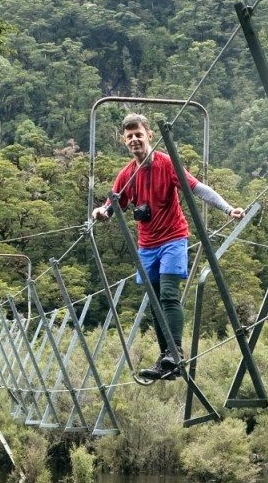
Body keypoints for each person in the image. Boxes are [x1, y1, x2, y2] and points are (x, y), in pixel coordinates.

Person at [91, 112, 245, 381]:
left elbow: (197, 188)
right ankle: (166, 360)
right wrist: (100, 213)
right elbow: (113, 205)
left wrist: (227, 208)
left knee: (168, 295)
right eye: (129, 137)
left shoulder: (166, 163)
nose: (135, 140)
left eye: (139, 134)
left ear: (149, 135)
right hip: (147, 245)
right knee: (154, 302)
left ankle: (176, 354)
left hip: (173, 238)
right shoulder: (126, 174)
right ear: (124, 141)